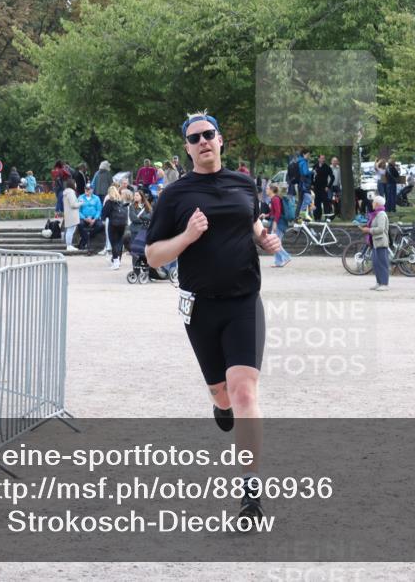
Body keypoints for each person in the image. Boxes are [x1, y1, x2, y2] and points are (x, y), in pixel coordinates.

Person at [145, 111, 281, 525]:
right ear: (187, 149)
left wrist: (265, 238)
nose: (203, 141)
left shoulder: (243, 183)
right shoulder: (175, 196)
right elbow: (152, 258)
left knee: (244, 393)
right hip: (201, 308)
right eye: (195, 138)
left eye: (209, 135)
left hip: (243, 301)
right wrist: (187, 237)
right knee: (222, 395)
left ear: (220, 140)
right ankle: (218, 404)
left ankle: (250, 492)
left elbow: (252, 222)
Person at [362, 195, 389, 291]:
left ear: (377, 204)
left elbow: (381, 229)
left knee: (382, 263)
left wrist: (369, 230)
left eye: (373, 202)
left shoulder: (381, 214)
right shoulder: (376, 214)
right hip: (375, 242)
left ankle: (384, 284)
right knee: (376, 263)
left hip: (381, 242)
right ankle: (379, 282)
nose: (372, 203)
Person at [102, 186, 131, 270]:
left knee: (113, 243)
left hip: (113, 224)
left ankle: (116, 261)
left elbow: (104, 214)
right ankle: (117, 259)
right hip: (122, 224)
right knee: (119, 242)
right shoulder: (121, 201)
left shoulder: (109, 202)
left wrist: (103, 219)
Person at [91, 161, 114, 255]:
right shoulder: (108, 174)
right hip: (105, 193)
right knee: (104, 207)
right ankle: (103, 218)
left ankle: (100, 217)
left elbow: (92, 183)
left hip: (97, 193)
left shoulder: (96, 173)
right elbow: (111, 184)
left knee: (99, 207)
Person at [268, 184, 292, 268]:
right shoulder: (274, 199)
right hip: (279, 222)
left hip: (279, 223)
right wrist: (266, 215)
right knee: (275, 243)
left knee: (274, 243)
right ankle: (278, 262)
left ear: (271, 190)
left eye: (268, 188)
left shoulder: (275, 199)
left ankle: (286, 257)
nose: (266, 190)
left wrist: (275, 223)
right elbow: (273, 212)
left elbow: (278, 212)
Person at [76, 183, 104, 250]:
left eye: (88, 189)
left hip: (94, 218)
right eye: (86, 189)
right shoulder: (80, 197)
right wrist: (84, 218)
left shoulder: (96, 198)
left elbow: (99, 210)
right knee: (80, 224)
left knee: (100, 225)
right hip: (84, 218)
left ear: (92, 190)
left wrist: (94, 219)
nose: (87, 190)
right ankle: (85, 239)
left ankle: (89, 236)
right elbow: (78, 211)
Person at [311, 154, 334, 220]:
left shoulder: (327, 167)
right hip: (316, 187)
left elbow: (332, 177)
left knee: (325, 202)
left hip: (324, 188)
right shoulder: (315, 166)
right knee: (317, 202)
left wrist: (328, 186)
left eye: (324, 158)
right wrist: (312, 184)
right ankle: (317, 217)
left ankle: (327, 217)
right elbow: (312, 176)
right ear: (319, 159)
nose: (323, 160)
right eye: (321, 158)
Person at [62, 179, 82, 251]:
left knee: (69, 230)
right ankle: (69, 245)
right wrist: (81, 203)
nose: (76, 185)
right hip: (72, 214)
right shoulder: (71, 192)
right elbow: (73, 204)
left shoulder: (66, 192)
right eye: (75, 183)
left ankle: (69, 245)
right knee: (70, 230)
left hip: (68, 214)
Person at [297, 149, 313, 219]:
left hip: (300, 184)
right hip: (304, 184)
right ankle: (300, 216)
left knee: (301, 200)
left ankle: (298, 217)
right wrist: (312, 172)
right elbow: (305, 173)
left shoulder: (299, 161)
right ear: (304, 154)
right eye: (308, 155)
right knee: (306, 199)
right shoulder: (303, 162)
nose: (309, 156)